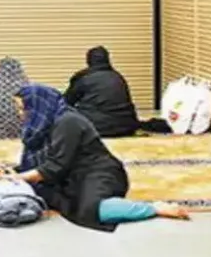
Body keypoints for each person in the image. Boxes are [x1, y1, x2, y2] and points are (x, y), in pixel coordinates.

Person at [10, 85, 188, 232]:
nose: (20, 114)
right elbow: (42, 164)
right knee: (42, 192)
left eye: (22, 108)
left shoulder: (68, 122)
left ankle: (153, 208)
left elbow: (55, 166)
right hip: (72, 174)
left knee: (91, 209)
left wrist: (19, 177)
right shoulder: (42, 124)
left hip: (99, 172)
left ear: (39, 105)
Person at [64, 46, 141, 138]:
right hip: (126, 127)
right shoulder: (118, 76)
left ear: (88, 61)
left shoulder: (84, 78)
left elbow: (67, 102)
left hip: (97, 128)